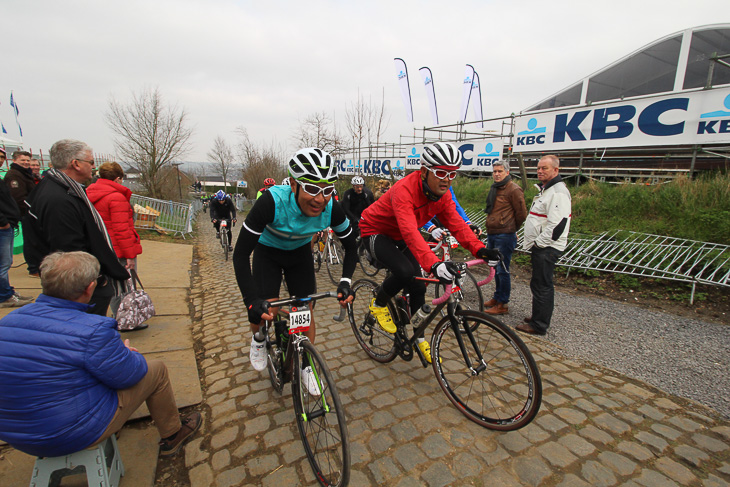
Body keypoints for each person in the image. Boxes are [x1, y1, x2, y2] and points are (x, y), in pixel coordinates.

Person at [0, 251, 201, 458]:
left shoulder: (8, 321)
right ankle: (173, 434)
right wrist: (127, 354)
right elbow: (129, 375)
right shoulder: (93, 329)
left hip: (16, 435)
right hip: (70, 434)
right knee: (156, 370)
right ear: (90, 288)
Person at [359, 142, 501, 363]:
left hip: (401, 235)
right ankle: (377, 305)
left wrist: (480, 250)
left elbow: (458, 225)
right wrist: (435, 264)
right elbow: (409, 230)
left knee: (418, 284)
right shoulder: (404, 189)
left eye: (452, 174)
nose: (447, 179)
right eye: (441, 172)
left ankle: (419, 338)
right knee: (405, 272)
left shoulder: (443, 195)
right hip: (375, 230)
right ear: (424, 171)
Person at [233, 148, 357, 394]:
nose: (320, 198)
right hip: (267, 253)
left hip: (299, 254)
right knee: (269, 309)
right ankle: (259, 339)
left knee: (305, 309)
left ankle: (307, 365)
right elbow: (240, 255)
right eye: (311, 188)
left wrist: (345, 281)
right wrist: (251, 302)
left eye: (327, 189)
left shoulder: (332, 207)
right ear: (292, 184)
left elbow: (352, 247)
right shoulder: (270, 201)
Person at [23, 139, 130, 316]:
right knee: (89, 330)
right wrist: (98, 280)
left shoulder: (55, 186)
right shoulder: (59, 199)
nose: (93, 167)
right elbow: (69, 249)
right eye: (90, 162)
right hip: (80, 285)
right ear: (76, 164)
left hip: (78, 281)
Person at [517, 155, 572, 336]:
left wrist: (539, 244)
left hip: (546, 248)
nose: (540, 171)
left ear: (556, 170)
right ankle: (537, 317)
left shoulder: (557, 192)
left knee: (542, 285)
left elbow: (558, 225)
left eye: (545, 168)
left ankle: (539, 325)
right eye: (539, 168)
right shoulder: (547, 190)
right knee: (538, 283)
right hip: (542, 246)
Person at [87, 162, 144, 325]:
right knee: (123, 287)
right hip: (118, 249)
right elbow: (122, 229)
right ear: (118, 179)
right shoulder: (116, 197)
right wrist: (129, 255)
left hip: (100, 247)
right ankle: (124, 321)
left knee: (107, 286)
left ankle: (114, 317)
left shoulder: (89, 193)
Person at [482, 160, 527, 315]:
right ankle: (497, 297)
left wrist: (512, 228)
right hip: (493, 232)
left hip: (504, 234)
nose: (497, 174)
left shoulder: (513, 189)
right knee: (495, 267)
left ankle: (503, 304)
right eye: (494, 171)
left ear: (507, 172)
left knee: (503, 269)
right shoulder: (495, 188)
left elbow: (521, 213)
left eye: (500, 171)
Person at [0, 172, 32, 308]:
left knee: (5, 263)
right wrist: (3, 222)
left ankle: (6, 292)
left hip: (7, 225)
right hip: (3, 227)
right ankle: (4, 296)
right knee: (3, 264)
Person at [4, 150, 34, 217]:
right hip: (24, 214)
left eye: (28, 160)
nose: (26, 162)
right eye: (22, 160)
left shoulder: (26, 173)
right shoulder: (14, 175)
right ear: (14, 161)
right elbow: (18, 198)